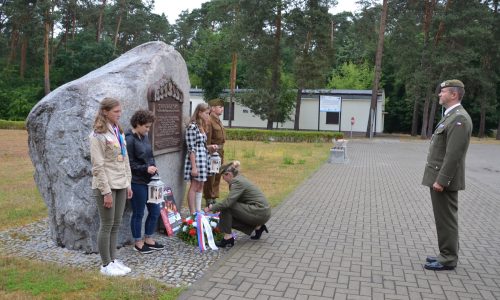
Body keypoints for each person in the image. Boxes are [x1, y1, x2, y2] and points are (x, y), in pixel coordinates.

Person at [422, 79, 472, 271]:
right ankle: (445, 253)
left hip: (444, 180)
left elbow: (453, 155)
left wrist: (441, 180)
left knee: (446, 219)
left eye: (443, 92)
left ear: (454, 95)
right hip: (439, 177)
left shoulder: (460, 119)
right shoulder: (451, 116)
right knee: (442, 218)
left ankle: (448, 258)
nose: (439, 94)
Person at [90, 97, 133, 276]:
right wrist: (106, 192)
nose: (119, 114)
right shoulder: (97, 135)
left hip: (121, 183)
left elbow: (125, 160)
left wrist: (128, 183)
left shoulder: (118, 131)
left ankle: (113, 260)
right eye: (116, 111)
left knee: (116, 224)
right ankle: (105, 264)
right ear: (105, 112)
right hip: (106, 185)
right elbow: (97, 166)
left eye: (120, 111)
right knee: (106, 224)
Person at [204, 161, 271, 248]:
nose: (223, 180)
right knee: (227, 218)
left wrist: (211, 208)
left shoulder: (237, 182)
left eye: (223, 177)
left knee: (227, 207)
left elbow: (228, 203)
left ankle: (228, 238)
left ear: (228, 174)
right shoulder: (239, 178)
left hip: (259, 212)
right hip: (262, 211)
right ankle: (258, 227)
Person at [125, 109, 165, 254]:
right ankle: (138, 242)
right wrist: (145, 168)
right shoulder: (129, 139)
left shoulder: (144, 137)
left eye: (149, 127)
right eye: (146, 127)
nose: (148, 130)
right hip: (137, 182)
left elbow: (150, 156)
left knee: (155, 210)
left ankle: (148, 238)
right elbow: (128, 164)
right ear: (137, 124)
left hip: (150, 181)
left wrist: (153, 167)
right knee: (138, 213)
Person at [184, 103, 219, 214]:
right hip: (196, 160)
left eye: (208, 113)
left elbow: (202, 146)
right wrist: (194, 167)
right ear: (199, 113)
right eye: (206, 113)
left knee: (201, 185)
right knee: (194, 185)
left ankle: (198, 211)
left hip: (203, 158)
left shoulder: (202, 126)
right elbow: (191, 148)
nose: (208, 115)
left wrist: (210, 147)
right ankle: (193, 213)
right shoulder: (192, 127)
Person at [203, 98, 226, 206]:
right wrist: (209, 151)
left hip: (220, 151)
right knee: (211, 175)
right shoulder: (209, 121)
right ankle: (209, 197)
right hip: (213, 152)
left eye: (222, 107)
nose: (222, 109)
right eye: (220, 107)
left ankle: (214, 196)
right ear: (212, 108)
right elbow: (208, 140)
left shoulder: (217, 120)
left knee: (217, 175)